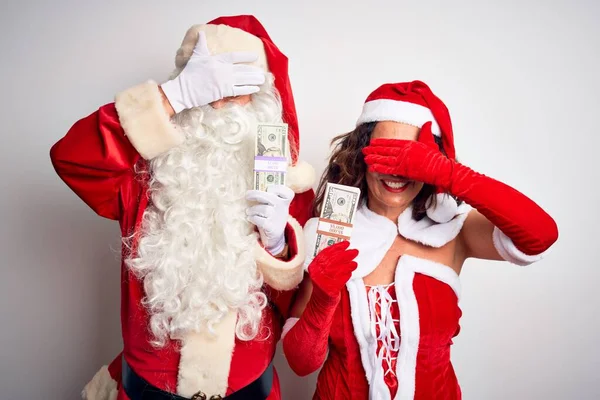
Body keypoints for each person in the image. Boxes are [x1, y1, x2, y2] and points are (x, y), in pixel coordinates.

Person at [50, 15, 316, 400]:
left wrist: (278, 246)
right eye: (208, 88)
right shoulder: (138, 173)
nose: (220, 103)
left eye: (237, 88)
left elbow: (296, 315)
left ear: (261, 99)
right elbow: (69, 159)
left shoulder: (287, 187)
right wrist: (170, 97)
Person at [281, 80, 559, 399]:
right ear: (361, 153)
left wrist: (450, 175)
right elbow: (300, 364)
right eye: (386, 152)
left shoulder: (454, 231)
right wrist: (322, 301)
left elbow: (541, 235)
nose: (398, 171)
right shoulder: (330, 230)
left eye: (411, 157)